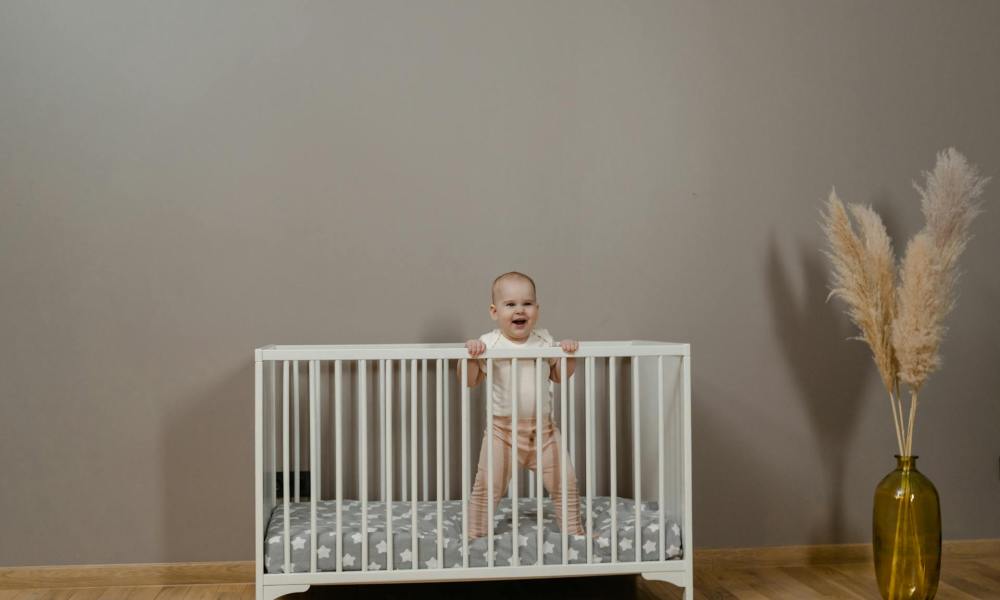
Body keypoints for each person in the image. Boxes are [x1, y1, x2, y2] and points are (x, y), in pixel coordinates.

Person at [463, 271, 585, 539]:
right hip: (501, 432)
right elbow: (471, 381)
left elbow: (559, 376)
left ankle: (574, 531)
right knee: (487, 486)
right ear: (495, 312)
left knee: (565, 482)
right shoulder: (489, 343)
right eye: (510, 305)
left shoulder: (544, 341)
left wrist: (567, 354)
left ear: (537, 310)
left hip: (543, 432)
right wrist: (471, 356)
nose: (520, 310)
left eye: (527, 304)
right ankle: (475, 533)